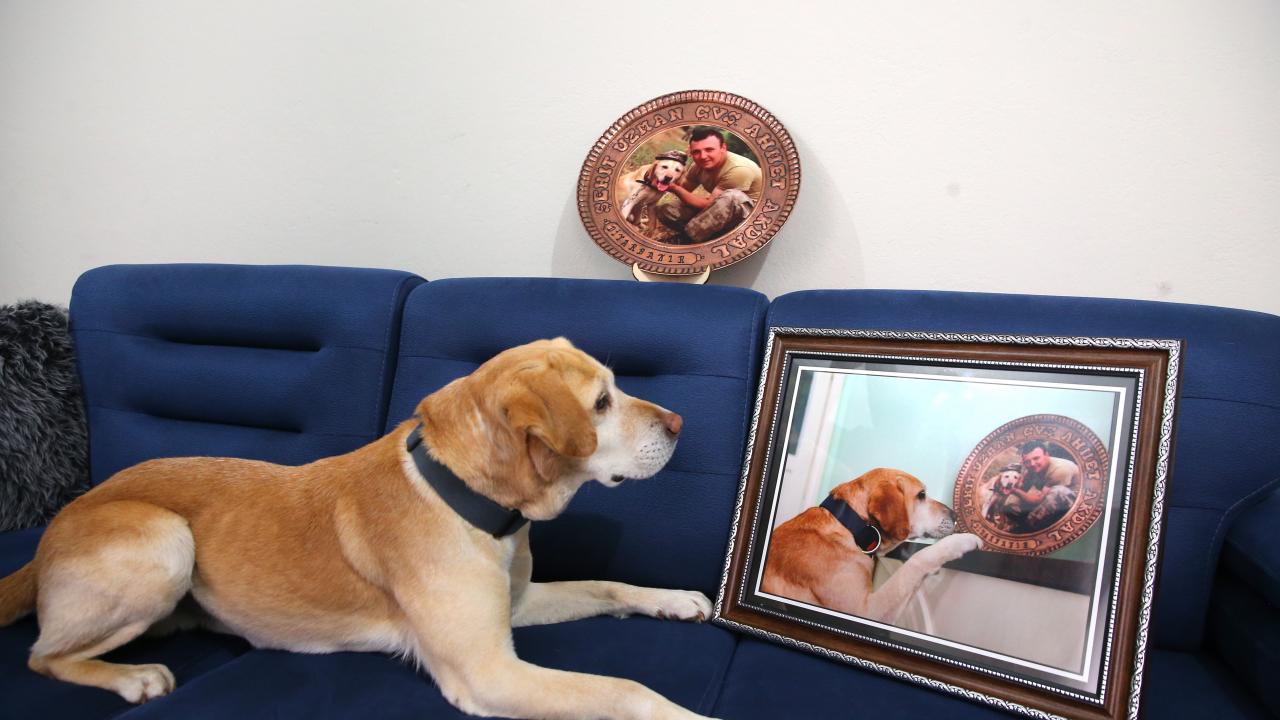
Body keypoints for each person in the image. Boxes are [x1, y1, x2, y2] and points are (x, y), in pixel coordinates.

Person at [658, 127, 762, 244]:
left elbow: (708, 204)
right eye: (696, 152)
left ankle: (686, 240)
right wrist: (668, 173)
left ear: (723, 148)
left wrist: (675, 188)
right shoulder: (698, 166)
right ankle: (708, 238)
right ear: (690, 152)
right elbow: (684, 187)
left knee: (732, 197)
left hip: (750, 219)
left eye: (709, 150)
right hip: (718, 212)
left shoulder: (739, 169)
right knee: (666, 210)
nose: (703, 156)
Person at [1006, 440, 1080, 531]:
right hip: (1052, 502)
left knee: (1058, 491)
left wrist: (1014, 490)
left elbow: (1038, 500)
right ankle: (1023, 522)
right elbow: (1023, 487)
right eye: (1027, 461)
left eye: (1036, 458)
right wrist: (1011, 505)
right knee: (1012, 508)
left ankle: (1030, 527)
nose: (1032, 464)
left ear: (1046, 455)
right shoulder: (1030, 466)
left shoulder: (1060, 469)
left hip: (1075, 505)